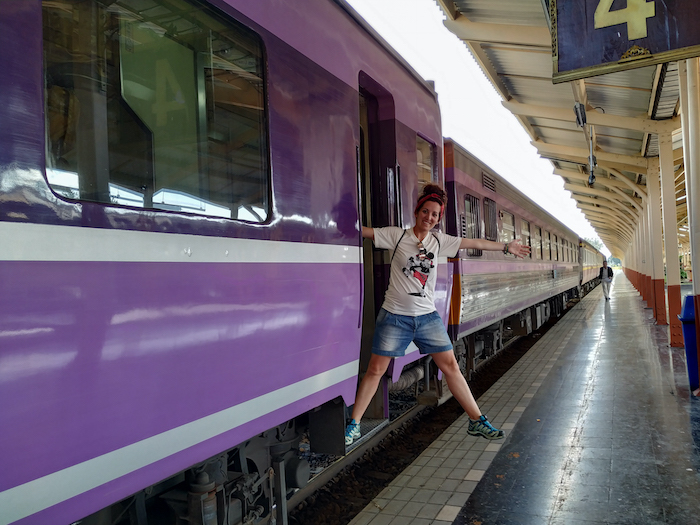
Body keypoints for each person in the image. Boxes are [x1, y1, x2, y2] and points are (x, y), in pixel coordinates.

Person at [346, 184, 531, 446]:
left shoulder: (440, 241)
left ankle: (477, 420)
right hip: (395, 316)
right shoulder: (396, 236)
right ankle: (353, 424)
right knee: (376, 370)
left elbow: (474, 242)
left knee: (451, 367)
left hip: (427, 318)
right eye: (426, 212)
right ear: (417, 211)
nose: (429, 218)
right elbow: (360, 232)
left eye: (435, 215)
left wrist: (505, 247)